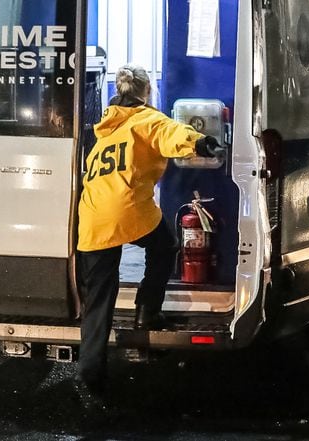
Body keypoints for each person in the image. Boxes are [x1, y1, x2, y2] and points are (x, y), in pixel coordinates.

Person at [74, 64, 224, 406]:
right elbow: (175, 135)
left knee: (99, 298)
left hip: (94, 216)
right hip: (127, 208)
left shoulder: (107, 126)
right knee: (165, 245)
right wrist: (203, 143)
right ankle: (147, 309)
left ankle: (90, 375)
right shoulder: (147, 119)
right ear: (147, 92)